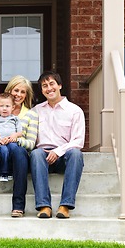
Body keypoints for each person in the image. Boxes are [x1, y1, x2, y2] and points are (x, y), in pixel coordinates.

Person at [0, 75, 39, 218]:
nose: (19, 95)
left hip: (18, 157)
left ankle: (18, 206)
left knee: (18, 150)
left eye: (23, 92)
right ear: (10, 90)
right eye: (16, 90)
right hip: (0, 153)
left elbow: (31, 143)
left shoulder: (31, 115)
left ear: (26, 95)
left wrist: (15, 139)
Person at [30, 71, 85, 219]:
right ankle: (44, 206)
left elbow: (78, 141)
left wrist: (58, 151)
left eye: (52, 84)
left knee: (76, 153)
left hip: (63, 157)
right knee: (36, 153)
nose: (49, 88)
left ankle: (65, 206)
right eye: (44, 86)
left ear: (60, 85)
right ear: (42, 90)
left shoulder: (74, 111)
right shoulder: (35, 111)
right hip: (42, 158)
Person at [0, 92, 23, 182]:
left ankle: (13, 171)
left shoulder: (15, 119)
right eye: (1, 106)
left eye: (7, 106)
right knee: (4, 151)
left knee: (15, 150)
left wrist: (15, 135)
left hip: (11, 141)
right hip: (0, 142)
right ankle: (4, 173)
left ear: (13, 107)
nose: (4, 108)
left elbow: (20, 132)